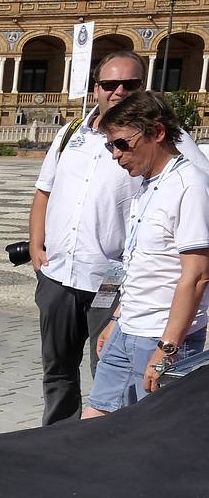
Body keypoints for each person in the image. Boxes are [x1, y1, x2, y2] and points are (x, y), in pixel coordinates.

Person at [28, 52, 154, 423]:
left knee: (110, 373)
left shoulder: (149, 144)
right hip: (59, 275)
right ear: (95, 88)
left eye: (129, 85)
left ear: (141, 88)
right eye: (110, 84)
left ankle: (104, 448)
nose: (118, 92)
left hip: (111, 281)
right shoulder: (70, 134)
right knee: (58, 370)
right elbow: (44, 191)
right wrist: (37, 245)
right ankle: (58, 438)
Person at [83, 90, 209, 417]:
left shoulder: (191, 186)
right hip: (128, 329)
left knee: (149, 440)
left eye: (122, 143)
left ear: (157, 133)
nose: (115, 154)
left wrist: (168, 348)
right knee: (92, 424)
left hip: (160, 336)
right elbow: (142, 262)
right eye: (110, 145)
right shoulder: (148, 184)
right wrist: (117, 318)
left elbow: (196, 276)